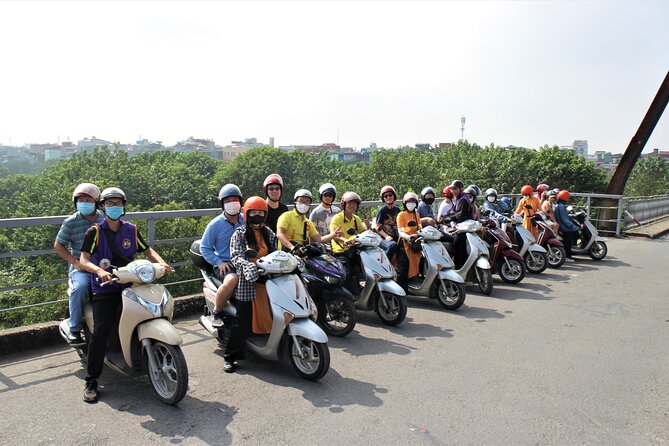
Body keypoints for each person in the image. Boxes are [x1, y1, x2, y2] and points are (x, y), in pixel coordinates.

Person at [79, 187, 172, 403]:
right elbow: (83, 260)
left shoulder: (131, 229)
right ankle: (91, 380)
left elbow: (148, 250)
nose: (114, 207)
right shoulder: (95, 231)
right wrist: (99, 271)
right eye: (109, 204)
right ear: (102, 206)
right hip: (106, 288)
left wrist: (161, 262)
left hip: (131, 284)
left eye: (117, 203)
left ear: (124, 206)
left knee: (151, 311)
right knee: (101, 330)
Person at [226, 196, 278, 372]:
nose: (257, 215)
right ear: (247, 214)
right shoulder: (239, 234)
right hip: (248, 280)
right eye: (253, 212)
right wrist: (249, 265)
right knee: (242, 320)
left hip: (268, 278)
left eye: (260, 212)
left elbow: (276, 253)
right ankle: (230, 357)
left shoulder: (269, 233)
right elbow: (236, 256)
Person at [54, 183, 104, 345]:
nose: (84, 203)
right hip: (81, 269)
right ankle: (74, 328)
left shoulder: (105, 219)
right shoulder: (71, 222)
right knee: (80, 288)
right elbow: (59, 245)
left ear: (96, 202)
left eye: (88, 200)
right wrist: (74, 262)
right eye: (80, 200)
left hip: (104, 266)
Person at [200, 184, 245, 328]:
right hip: (226, 265)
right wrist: (218, 262)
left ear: (240, 202)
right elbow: (205, 247)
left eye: (235, 199)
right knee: (232, 279)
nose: (232, 203)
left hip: (244, 262)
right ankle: (216, 313)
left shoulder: (246, 220)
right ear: (222, 204)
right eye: (227, 201)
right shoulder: (215, 224)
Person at [330, 191, 366, 296]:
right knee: (347, 272)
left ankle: (359, 289)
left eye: (354, 203)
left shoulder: (356, 219)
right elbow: (333, 234)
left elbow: (363, 232)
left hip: (353, 250)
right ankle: (346, 296)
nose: (352, 206)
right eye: (350, 203)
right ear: (343, 204)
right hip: (340, 251)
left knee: (364, 266)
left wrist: (370, 229)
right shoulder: (337, 218)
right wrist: (344, 240)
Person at [396, 192, 423, 291]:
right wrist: (408, 237)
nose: (411, 204)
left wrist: (420, 234)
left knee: (423, 261)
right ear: (404, 203)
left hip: (415, 243)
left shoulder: (416, 214)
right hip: (404, 243)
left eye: (413, 202)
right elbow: (400, 231)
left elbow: (420, 227)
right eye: (408, 202)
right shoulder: (401, 215)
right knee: (403, 269)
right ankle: (399, 290)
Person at [442, 180, 471, 269]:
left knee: (457, 244)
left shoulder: (463, 199)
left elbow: (459, 216)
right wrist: (446, 217)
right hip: (461, 227)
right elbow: (454, 212)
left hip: (464, 228)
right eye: (452, 189)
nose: (453, 191)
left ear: (461, 188)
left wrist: (448, 218)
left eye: (455, 188)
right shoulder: (459, 198)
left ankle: (459, 268)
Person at [554, 190, 582, 263]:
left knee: (567, 242)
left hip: (562, 226)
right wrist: (574, 226)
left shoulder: (559, 205)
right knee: (568, 243)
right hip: (565, 228)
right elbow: (564, 219)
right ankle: (567, 257)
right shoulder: (562, 206)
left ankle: (568, 256)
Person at [374, 185, 400, 261]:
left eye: (390, 195)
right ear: (383, 198)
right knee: (392, 245)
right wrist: (386, 236)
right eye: (385, 196)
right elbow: (377, 226)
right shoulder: (382, 211)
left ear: (394, 196)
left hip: (396, 236)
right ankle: (383, 263)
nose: (388, 197)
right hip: (383, 238)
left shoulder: (397, 210)